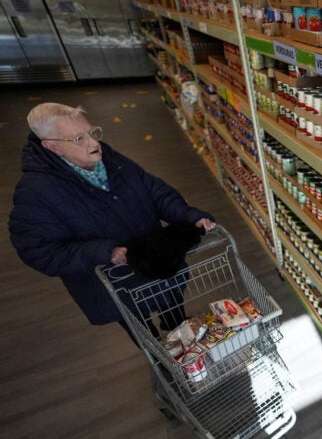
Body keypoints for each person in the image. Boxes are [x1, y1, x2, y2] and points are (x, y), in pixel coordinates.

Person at [8, 102, 216, 343]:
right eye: (78, 139)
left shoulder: (109, 157)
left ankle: (183, 342)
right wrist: (104, 252)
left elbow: (152, 190)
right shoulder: (35, 192)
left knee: (174, 312)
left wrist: (188, 216)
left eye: (92, 132)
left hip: (156, 263)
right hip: (116, 286)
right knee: (144, 334)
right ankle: (161, 360)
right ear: (52, 147)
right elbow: (38, 251)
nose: (93, 143)